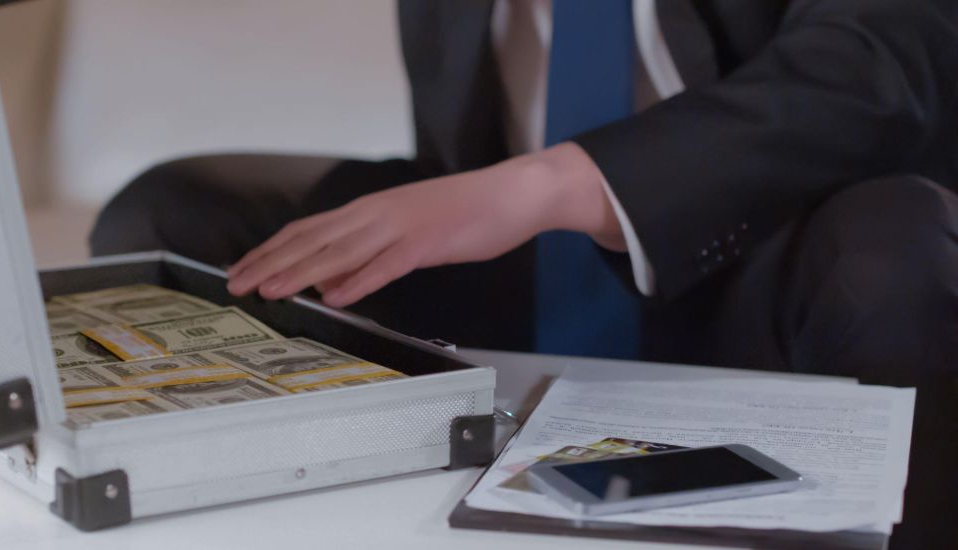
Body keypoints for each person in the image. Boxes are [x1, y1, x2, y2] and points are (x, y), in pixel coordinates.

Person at [90, 1, 957, 545]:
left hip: (763, 261)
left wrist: (551, 183)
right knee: (173, 217)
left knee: (894, 254)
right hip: (510, 273)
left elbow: (875, 67)